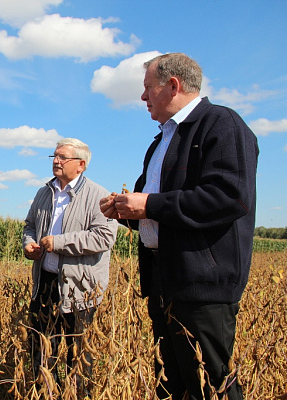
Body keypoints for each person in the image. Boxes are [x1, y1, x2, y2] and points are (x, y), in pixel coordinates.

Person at [99, 53, 258, 400]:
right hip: (162, 279)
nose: (143, 98)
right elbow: (159, 210)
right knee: (171, 386)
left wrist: (149, 204)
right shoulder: (161, 140)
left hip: (201, 287)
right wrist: (124, 210)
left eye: (147, 89)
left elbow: (230, 198)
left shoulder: (222, 124)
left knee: (210, 386)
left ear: (172, 86)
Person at [23, 138, 118, 393]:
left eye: (63, 157)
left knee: (78, 357)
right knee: (42, 352)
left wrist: (59, 243)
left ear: (81, 164)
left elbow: (104, 237)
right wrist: (29, 244)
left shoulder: (99, 195)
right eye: (54, 156)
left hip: (81, 289)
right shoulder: (44, 192)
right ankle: (44, 394)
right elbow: (30, 225)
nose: (56, 161)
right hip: (45, 284)